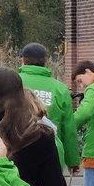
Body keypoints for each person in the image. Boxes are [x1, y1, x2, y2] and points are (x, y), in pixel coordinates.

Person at [17, 42, 80, 171]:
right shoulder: (60, 89)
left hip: (18, 149)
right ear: (45, 61)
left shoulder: (13, 81)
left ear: (22, 60)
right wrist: (72, 161)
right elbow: (68, 128)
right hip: (52, 151)